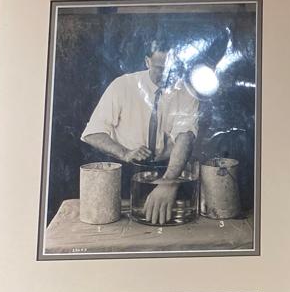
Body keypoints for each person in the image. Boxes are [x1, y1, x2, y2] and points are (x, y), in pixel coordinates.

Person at [81, 37, 200, 224]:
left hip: (169, 169)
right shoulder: (122, 85)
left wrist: (169, 181)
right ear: (147, 62)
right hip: (126, 170)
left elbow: (186, 136)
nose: (167, 75)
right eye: (160, 68)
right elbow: (93, 133)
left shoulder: (187, 92)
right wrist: (125, 153)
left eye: (172, 68)